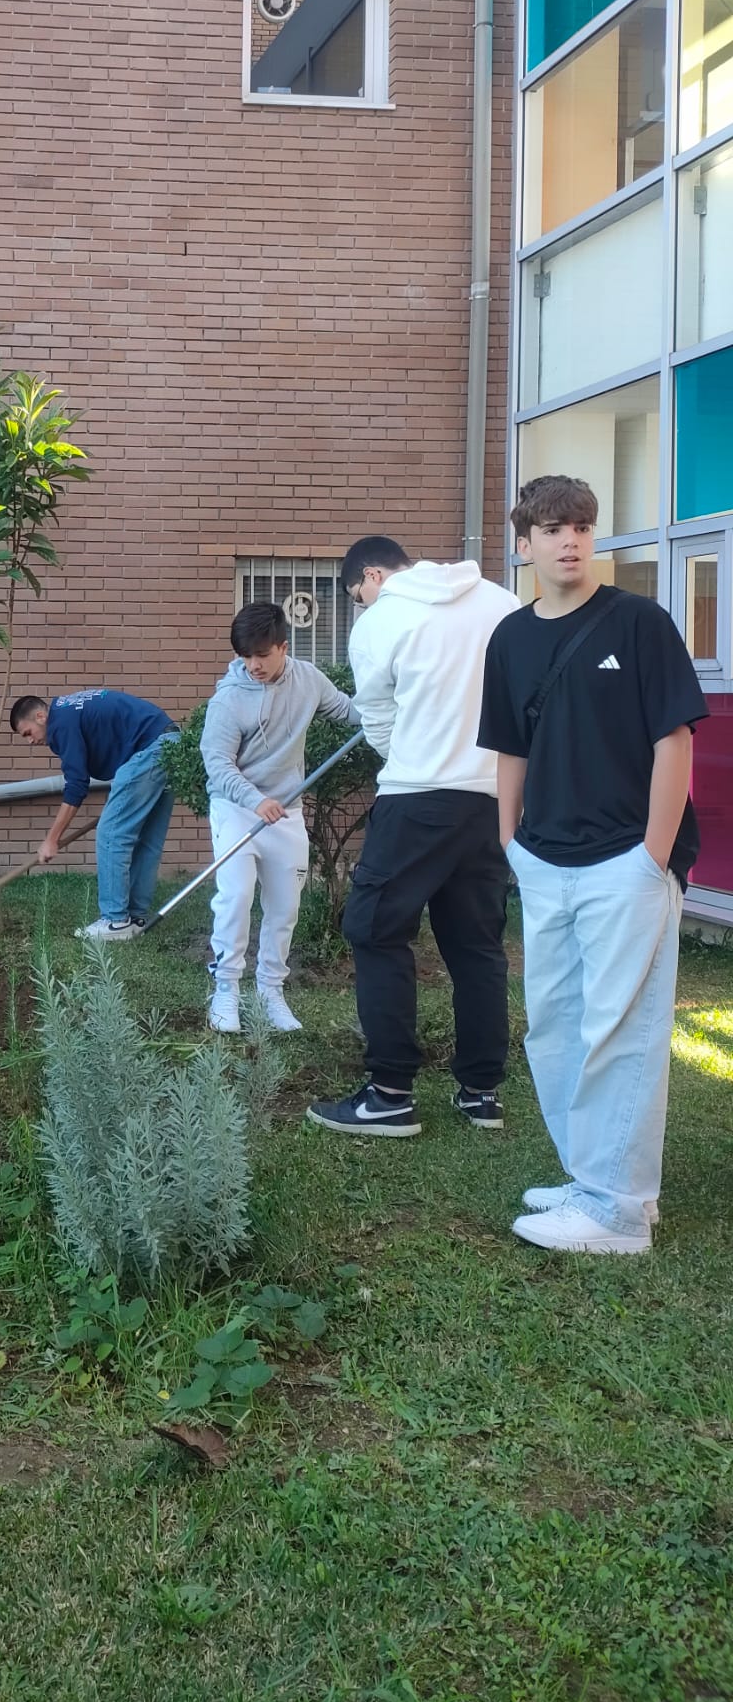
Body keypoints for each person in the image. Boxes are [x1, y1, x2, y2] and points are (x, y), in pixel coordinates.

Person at [478, 476, 704, 1255]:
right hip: (544, 858)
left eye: (579, 525)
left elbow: (674, 741)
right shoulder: (510, 638)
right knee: (557, 1027)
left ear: (593, 536)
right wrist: (510, 841)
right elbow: (511, 746)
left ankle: (617, 1211)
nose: (568, 539)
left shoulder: (640, 623)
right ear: (524, 544)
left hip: (625, 863)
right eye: (550, 528)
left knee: (623, 1030)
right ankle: (594, 1176)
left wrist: (654, 854)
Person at [307, 538, 518, 1138]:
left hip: (416, 799)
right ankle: (481, 1094)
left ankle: (390, 1094)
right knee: (476, 945)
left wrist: (417, 758)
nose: (361, 604)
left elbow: (376, 717)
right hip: (489, 800)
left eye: (356, 595)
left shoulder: (383, 620)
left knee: (373, 929)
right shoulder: (502, 603)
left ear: (372, 574)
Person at [201, 602, 359, 1035]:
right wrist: (254, 800)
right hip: (237, 810)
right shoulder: (229, 699)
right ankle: (227, 989)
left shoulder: (308, 680)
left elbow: (349, 712)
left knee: (284, 907)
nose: (253, 665)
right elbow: (217, 764)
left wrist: (391, 712)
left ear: (283, 646)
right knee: (235, 898)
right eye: (245, 656)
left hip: (286, 812)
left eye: (262, 655)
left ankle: (270, 990)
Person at [9, 688, 178, 940]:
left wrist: (52, 839)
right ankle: (135, 918)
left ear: (40, 716)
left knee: (110, 835)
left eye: (28, 733)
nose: (30, 742)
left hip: (150, 750)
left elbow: (77, 784)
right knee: (147, 839)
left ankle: (115, 921)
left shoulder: (61, 722)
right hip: (170, 744)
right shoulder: (69, 711)